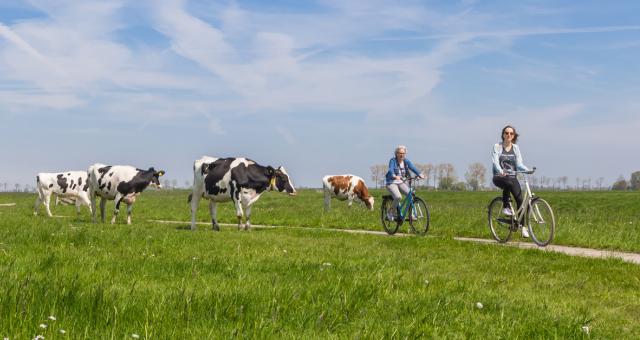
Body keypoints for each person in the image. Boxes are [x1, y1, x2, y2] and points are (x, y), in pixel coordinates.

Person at [491, 125, 530, 237]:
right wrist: (500, 171)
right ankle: (505, 207)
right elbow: (495, 162)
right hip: (499, 176)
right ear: (503, 134)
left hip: (513, 177)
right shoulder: (497, 146)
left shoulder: (516, 148)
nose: (508, 135)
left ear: (514, 136)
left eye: (511, 133)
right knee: (507, 182)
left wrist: (527, 170)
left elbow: (519, 164)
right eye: (506, 133)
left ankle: (523, 227)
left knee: (520, 201)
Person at [385, 145, 424, 220]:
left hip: (401, 182)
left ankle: (411, 215)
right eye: (400, 153)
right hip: (391, 182)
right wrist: (394, 175)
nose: (401, 155)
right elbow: (391, 169)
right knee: (398, 197)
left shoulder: (406, 161)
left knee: (411, 194)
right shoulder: (392, 160)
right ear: (396, 153)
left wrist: (420, 174)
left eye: (403, 153)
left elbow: (413, 167)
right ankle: (390, 212)